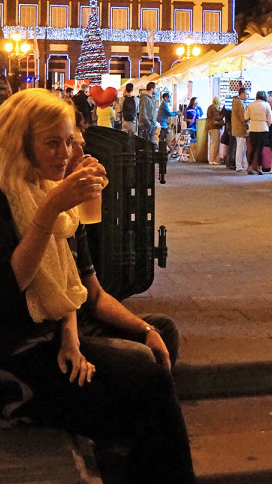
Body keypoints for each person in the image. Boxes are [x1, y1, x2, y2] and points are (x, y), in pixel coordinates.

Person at [0, 89, 195, 482]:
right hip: (12, 358)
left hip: (56, 337)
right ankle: (140, 452)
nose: (65, 154)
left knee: (160, 332)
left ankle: (124, 451)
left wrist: (77, 337)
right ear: (19, 144)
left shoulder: (46, 189)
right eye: (52, 143)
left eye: (69, 141)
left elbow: (79, 294)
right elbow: (6, 291)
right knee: (146, 378)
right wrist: (51, 209)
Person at [67, 117, 179, 371]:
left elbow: (93, 293)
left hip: (82, 319)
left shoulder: (73, 213)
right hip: (60, 332)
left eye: (74, 144)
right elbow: (59, 301)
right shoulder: (43, 207)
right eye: (65, 143)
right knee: (138, 357)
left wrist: (146, 329)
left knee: (162, 330)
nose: (82, 155)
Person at [244, 91, 272, 175]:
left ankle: (250, 166)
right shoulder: (266, 105)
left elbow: (246, 117)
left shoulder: (250, 105)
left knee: (253, 149)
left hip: (253, 128)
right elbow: (270, 119)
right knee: (260, 149)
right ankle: (260, 168)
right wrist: (266, 124)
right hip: (263, 128)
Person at [231, 87, 249, 172]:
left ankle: (244, 165)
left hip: (237, 128)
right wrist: (248, 119)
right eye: (246, 94)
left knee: (242, 148)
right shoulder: (239, 104)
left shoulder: (236, 102)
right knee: (241, 148)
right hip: (240, 128)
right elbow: (243, 117)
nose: (248, 96)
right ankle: (239, 166)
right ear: (241, 94)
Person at [206, 96, 225, 164]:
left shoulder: (210, 107)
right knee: (215, 144)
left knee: (213, 144)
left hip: (210, 127)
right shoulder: (214, 108)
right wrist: (223, 113)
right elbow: (217, 117)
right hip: (214, 127)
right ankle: (212, 159)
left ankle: (215, 159)